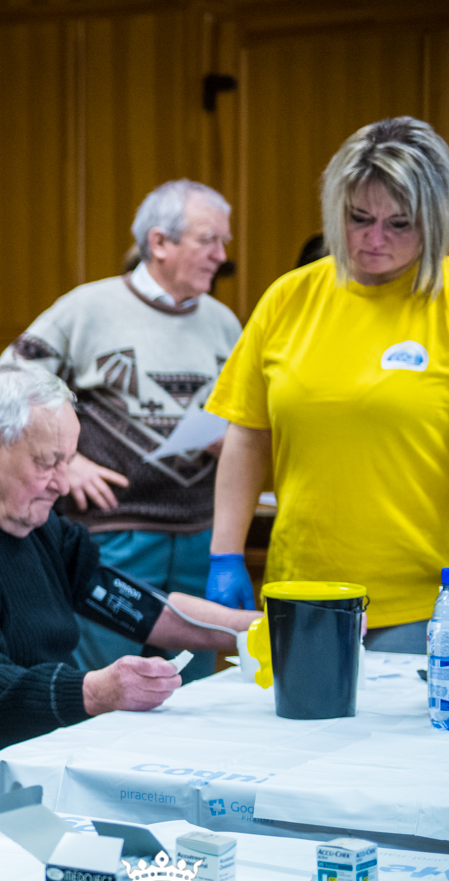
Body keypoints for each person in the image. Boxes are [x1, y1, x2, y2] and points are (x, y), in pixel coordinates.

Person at [0, 365, 258, 790]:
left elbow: (128, 604)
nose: (62, 485)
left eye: (68, 462)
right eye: (47, 462)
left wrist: (256, 629)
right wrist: (97, 690)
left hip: (27, 759)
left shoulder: (33, 523)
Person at [206, 117, 449, 652]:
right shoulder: (288, 298)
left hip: (425, 604)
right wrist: (225, 553)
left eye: (400, 224)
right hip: (303, 594)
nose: (374, 239)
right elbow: (249, 433)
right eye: (359, 218)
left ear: (435, 220)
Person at [0, 180, 242, 682]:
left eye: (223, 241)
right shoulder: (87, 308)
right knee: (106, 684)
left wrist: (231, 438)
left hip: (199, 534)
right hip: (114, 534)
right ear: (159, 242)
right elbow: (4, 384)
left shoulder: (223, 322)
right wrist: (68, 463)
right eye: (208, 240)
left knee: (195, 690)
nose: (221, 255)